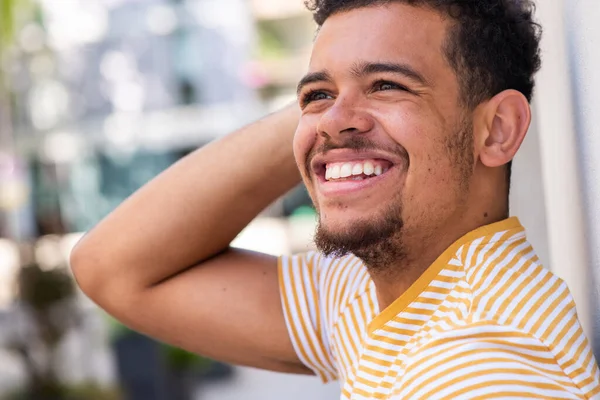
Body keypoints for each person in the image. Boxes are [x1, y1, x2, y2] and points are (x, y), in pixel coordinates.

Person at [70, 0, 600, 398]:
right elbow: (110, 268)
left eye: (389, 84)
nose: (333, 118)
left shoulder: (487, 370)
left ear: (497, 130)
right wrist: (333, 113)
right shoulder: (374, 290)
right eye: (315, 95)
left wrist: (336, 107)